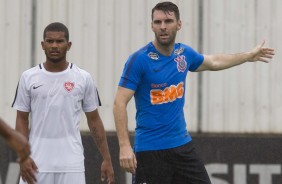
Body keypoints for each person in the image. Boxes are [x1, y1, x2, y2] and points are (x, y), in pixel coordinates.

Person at [113, 1, 275, 184]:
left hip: (182, 146)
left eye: (168, 21)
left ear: (179, 24)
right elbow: (119, 102)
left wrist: (247, 56)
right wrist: (125, 146)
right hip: (150, 150)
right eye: (157, 22)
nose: (163, 27)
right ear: (151, 26)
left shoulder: (183, 54)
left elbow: (213, 62)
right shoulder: (139, 60)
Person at [12, 22, 115, 184]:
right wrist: (23, 157)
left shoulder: (83, 78)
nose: (54, 46)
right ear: (42, 45)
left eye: (59, 41)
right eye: (50, 41)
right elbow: (21, 119)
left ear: (69, 45)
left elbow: (94, 120)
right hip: (36, 163)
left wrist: (107, 159)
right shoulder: (28, 77)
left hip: (71, 164)